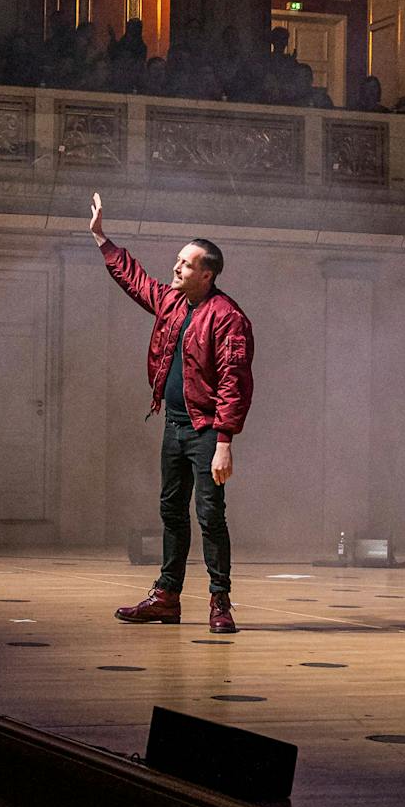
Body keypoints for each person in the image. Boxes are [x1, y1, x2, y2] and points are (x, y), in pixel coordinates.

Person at [90, 193, 254, 635]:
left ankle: (220, 601)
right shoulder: (171, 302)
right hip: (175, 426)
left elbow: (233, 383)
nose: (176, 267)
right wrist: (103, 239)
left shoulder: (228, 317)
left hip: (205, 432)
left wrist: (224, 443)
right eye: (177, 260)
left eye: (185, 262)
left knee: (209, 514)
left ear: (208, 273)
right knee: (171, 512)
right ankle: (167, 596)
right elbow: (135, 280)